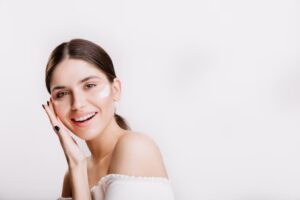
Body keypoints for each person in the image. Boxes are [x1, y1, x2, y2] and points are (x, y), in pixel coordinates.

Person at [42, 39, 175, 200]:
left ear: (116, 89)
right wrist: (77, 166)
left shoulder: (135, 147)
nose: (77, 104)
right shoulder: (73, 173)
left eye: (90, 85)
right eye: (62, 94)